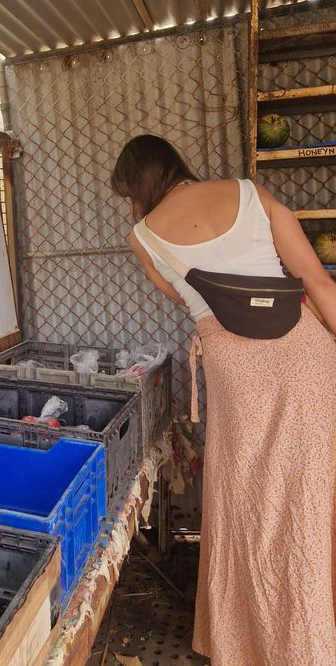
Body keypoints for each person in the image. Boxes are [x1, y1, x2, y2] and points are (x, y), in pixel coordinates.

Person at [111, 134, 336, 666]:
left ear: (139, 187)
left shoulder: (142, 237)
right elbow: (320, 287)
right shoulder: (250, 194)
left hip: (239, 380)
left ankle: (257, 644)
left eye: (127, 193)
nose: (129, 205)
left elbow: (197, 305)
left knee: (251, 507)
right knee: (314, 496)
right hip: (306, 359)